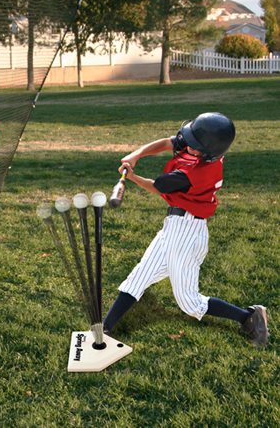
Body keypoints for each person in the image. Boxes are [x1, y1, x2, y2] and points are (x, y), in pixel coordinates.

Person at [103, 112, 269, 347]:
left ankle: (249, 317)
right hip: (174, 225)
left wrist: (133, 177)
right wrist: (136, 154)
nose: (186, 145)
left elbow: (157, 186)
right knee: (138, 279)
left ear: (208, 152)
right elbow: (168, 142)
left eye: (193, 144)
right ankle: (104, 330)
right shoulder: (205, 149)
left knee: (190, 303)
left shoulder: (193, 174)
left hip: (187, 232)